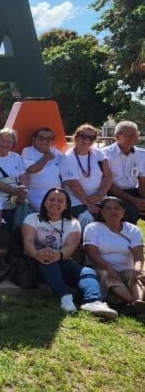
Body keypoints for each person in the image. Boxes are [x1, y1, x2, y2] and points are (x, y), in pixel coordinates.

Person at [22, 187, 117, 319]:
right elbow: (28, 241)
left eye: (60, 201)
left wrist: (58, 254)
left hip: (61, 258)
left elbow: (70, 246)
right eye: (51, 199)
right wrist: (37, 254)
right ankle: (65, 296)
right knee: (47, 260)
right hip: (35, 261)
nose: (55, 203)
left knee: (88, 272)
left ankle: (93, 301)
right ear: (44, 202)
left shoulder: (73, 223)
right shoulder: (32, 218)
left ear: (66, 205)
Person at [83, 197, 145, 313]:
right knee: (108, 275)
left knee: (135, 276)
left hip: (126, 268)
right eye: (108, 208)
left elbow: (138, 254)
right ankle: (134, 303)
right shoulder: (93, 228)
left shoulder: (133, 229)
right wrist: (108, 267)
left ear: (123, 212)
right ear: (102, 213)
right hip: (101, 268)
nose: (113, 211)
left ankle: (138, 301)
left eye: (117, 208)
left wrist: (137, 269)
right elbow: (92, 254)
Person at [60, 124, 112, 218]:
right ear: (76, 137)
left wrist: (99, 195)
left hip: (99, 197)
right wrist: (89, 204)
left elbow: (108, 175)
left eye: (92, 137)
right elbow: (73, 184)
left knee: (116, 212)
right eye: (84, 136)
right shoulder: (67, 157)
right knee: (86, 217)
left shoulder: (99, 153)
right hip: (76, 199)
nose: (87, 140)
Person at [101, 121, 145, 224]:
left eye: (135, 134)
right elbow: (107, 183)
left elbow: (142, 181)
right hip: (113, 193)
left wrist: (143, 200)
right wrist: (134, 200)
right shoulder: (105, 154)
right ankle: (128, 239)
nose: (133, 138)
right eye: (128, 135)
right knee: (130, 211)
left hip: (135, 191)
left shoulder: (141, 154)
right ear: (117, 136)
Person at [0, 128, 28, 228]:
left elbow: (22, 175)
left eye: (9, 142)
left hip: (17, 201)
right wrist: (15, 192)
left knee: (19, 227)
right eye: (3, 141)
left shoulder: (16, 157)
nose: (5, 144)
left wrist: (22, 188)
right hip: (0, 204)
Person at [21, 127, 63, 211]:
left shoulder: (58, 154)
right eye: (41, 138)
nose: (45, 141)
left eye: (49, 139)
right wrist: (46, 158)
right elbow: (31, 169)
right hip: (35, 201)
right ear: (34, 140)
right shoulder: (28, 151)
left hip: (55, 200)